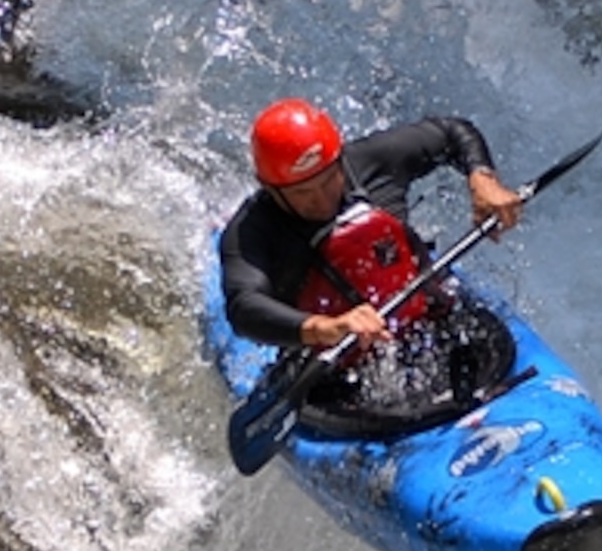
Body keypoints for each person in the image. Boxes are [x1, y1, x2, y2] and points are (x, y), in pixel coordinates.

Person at [218, 97, 525, 373]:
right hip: (339, 369)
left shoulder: (369, 162)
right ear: (270, 190)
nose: (322, 199)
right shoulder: (251, 230)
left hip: (432, 321)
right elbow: (244, 307)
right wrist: (326, 327)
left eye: (328, 181)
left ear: (339, 161)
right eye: (303, 193)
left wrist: (483, 179)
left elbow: (452, 132)